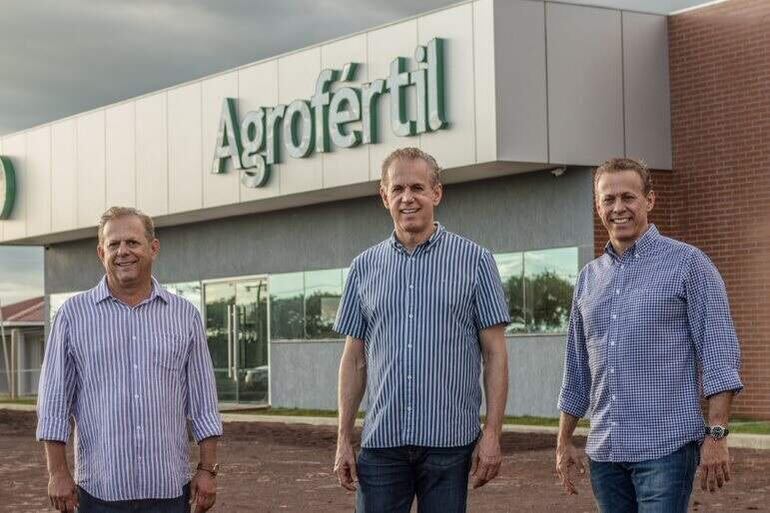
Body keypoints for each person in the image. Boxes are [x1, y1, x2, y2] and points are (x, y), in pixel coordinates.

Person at [556, 158, 743, 512]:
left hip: (666, 451)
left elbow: (719, 354)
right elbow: (577, 370)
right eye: (608, 199)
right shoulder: (588, 278)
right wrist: (564, 441)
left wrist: (717, 435)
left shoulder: (689, 265)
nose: (618, 207)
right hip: (606, 455)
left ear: (650, 200)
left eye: (628, 197)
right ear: (598, 206)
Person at [332, 147, 511, 513]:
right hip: (382, 444)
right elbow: (354, 360)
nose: (407, 198)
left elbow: (495, 353)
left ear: (436, 193)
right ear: (384, 197)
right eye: (397, 189)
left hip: (449, 444)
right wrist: (343, 438)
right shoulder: (363, 268)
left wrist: (492, 433)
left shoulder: (475, 261)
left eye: (417, 187)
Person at [36, 206, 223, 513]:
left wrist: (208, 469)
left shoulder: (184, 316)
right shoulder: (73, 316)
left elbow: (204, 402)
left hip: (169, 493)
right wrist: (57, 473)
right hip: (99, 493)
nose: (123, 251)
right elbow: (54, 402)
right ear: (101, 252)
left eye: (133, 242)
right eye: (114, 244)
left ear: (153, 248)